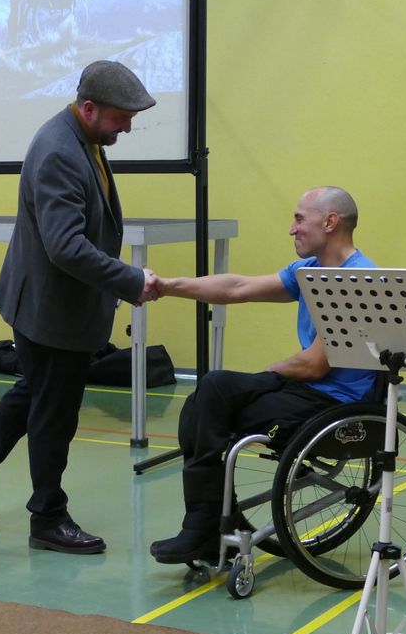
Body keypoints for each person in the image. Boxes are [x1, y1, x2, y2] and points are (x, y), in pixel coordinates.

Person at [0, 60, 158, 555]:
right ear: (88, 108)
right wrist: (130, 280)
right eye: (123, 117)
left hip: (51, 303)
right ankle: (47, 518)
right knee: (54, 413)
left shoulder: (81, 140)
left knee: (36, 393)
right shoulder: (60, 150)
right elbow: (65, 246)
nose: (128, 126)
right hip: (51, 309)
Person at [149, 186, 378, 565]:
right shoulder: (309, 271)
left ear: (330, 222)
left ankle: (203, 526)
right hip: (305, 390)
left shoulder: (358, 280)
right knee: (200, 403)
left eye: (299, 219)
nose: (292, 229)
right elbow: (239, 287)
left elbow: (315, 365)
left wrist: (265, 376)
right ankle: (207, 520)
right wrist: (170, 286)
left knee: (214, 394)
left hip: (335, 404)